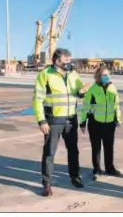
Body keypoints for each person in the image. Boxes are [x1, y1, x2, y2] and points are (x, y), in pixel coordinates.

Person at [32, 48, 90, 197]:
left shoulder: (73, 74)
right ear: (57, 61)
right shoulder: (45, 75)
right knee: (49, 153)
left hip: (71, 119)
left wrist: (82, 91)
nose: (70, 63)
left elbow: (78, 93)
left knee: (73, 150)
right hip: (53, 120)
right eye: (66, 61)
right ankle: (47, 184)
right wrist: (41, 120)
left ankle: (75, 177)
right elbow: (37, 99)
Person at [79, 65, 122, 179]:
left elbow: (116, 105)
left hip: (109, 123)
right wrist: (83, 123)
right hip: (95, 124)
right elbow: (86, 107)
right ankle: (97, 169)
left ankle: (110, 167)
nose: (107, 77)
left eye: (108, 75)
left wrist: (117, 119)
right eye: (104, 75)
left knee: (109, 147)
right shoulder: (92, 90)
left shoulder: (113, 88)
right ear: (98, 76)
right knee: (96, 147)